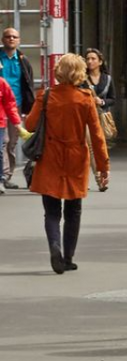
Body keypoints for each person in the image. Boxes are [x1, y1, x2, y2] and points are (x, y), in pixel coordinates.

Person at [26, 53, 109, 274]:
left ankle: (54, 246)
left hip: (50, 156)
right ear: (80, 73)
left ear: (58, 71)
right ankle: (68, 257)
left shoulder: (46, 96)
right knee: (74, 210)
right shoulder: (85, 98)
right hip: (76, 156)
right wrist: (103, 167)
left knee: (51, 211)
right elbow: (97, 135)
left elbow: (30, 123)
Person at [1, 26, 37, 188]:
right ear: (3, 40)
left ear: (19, 40)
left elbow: (28, 83)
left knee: (12, 142)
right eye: (8, 36)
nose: (11, 39)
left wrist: (29, 107)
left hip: (17, 104)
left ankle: (7, 175)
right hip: (1, 105)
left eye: (14, 37)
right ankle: (3, 175)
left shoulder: (23, 60)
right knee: (3, 140)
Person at [82, 48, 115, 143]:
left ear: (100, 62)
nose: (90, 61)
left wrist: (102, 102)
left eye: (93, 59)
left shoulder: (107, 79)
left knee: (100, 143)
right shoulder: (82, 78)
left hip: (100, 116)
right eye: (88, 59)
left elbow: (112, 99)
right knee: (88, 143)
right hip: (86, 116)